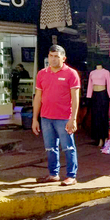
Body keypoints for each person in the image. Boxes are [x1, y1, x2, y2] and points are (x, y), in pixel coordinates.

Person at [32, 45, 81, 186]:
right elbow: (38, 97)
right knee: (50, 147)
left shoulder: (71, 74)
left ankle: (71, 176)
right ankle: (53, 174)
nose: (53, 59)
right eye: (51, 56)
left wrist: (73, 118)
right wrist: (35, 119)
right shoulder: (42, 73)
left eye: (56, 56)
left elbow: (75, 97)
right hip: (46, 118)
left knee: (68, 147)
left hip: (64, 117)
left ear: (63, 58)